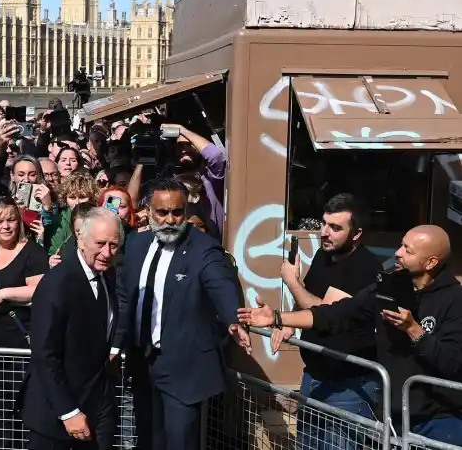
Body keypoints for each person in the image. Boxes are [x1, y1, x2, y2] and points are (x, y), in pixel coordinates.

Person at [239, 225, 462, 446]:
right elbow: (336, 314)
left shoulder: (454, 300)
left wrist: (414, 329)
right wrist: (276, 318)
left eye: (408, 250)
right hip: (394, 415)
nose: (398, 252)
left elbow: (452, 361)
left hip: (440, 420)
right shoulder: (388, 287)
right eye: (401, 245)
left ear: (431, 262)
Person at [113, 178, 250, 450]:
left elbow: (220, 284)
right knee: (148, 440)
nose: (170, 220)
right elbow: (125, 297)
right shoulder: (136, 246)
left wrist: (233, 319)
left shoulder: (204, 249)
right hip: (142, 363)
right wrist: (116, 345)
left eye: (177, 212)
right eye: (162, 212)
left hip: (184, 369)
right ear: (148, 211)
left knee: (179, 442)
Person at [273, 193, 383, 450]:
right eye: (324, 224)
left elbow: (325, 311)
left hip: (349, 385)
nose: (325, 232)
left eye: (335, 228)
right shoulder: (324, 256)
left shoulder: (365, 267)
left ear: (356, 234)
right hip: (315, 375)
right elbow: (307, 299)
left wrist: (291, 282)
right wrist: (289, 323)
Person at [20, 207, 121, 450]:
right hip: (57, 414)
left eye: (114, 245)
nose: (107, 252)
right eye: (100, 243)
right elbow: (45, 353)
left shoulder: (107, 276)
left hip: (99, 404)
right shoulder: (57, 283)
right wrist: (68, 412)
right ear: (81, 241)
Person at [0, 197, 48, 349]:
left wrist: (2, 294)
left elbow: (39, 289)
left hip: (20, 341)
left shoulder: (32, 251)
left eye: (11, 220)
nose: (6, 226)